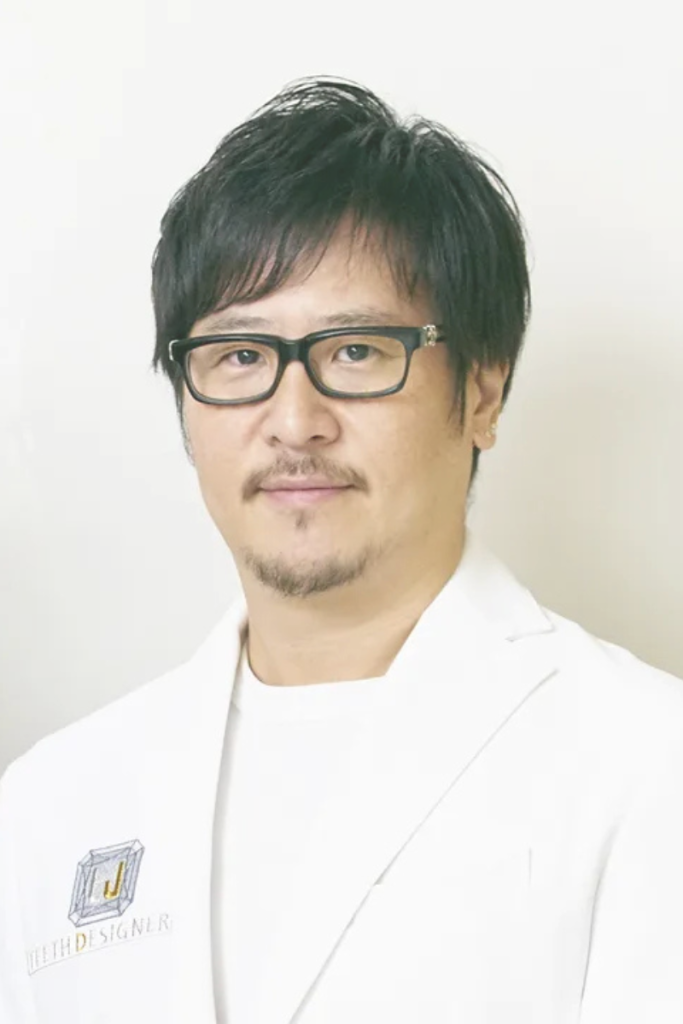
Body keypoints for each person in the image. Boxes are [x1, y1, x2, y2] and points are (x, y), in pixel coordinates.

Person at [1, 77, 682, 1024]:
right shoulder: (52, 802)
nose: (294, 421)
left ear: (482, 392)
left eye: (356, 351)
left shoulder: (645, 764)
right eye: (239, 356)